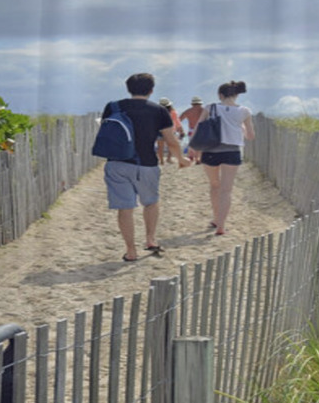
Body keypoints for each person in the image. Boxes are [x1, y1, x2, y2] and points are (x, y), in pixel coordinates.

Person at [101, 73, 191, 262]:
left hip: (117, 163)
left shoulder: (113, 107)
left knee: (125, 208)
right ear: (151, 90)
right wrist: (181, 159)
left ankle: (131, 251)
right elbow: (171, 141)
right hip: (146, 164)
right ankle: (150, 239)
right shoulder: (158, 111)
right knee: (150, 202)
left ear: (128, 89)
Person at [193, 81, 255, 235]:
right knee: (226, 190)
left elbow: (198, 128)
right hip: (232, 151)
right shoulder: (244, 111)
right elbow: (251, 136)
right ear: (236, 95)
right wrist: (240, 128)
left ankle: (215, 218)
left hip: (211, 150)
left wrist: (193, 148)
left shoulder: (210, 107)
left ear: (220, 95)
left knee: (215, 185)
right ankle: (221, 226)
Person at [156, 97, 184, 164]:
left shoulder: (157, 112)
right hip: (170, 131)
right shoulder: (173, 112)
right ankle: (168, 159)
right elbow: (177, 122)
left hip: (160, 131)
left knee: (160, 147)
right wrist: (181, 131)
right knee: (172, 146)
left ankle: (162, 161)